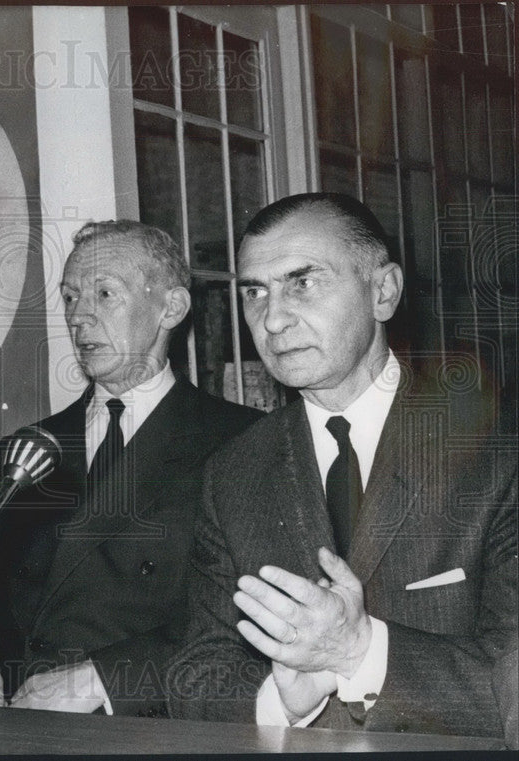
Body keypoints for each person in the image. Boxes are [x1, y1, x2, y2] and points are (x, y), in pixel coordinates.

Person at [166, 193, 517, 738]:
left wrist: (359, 653)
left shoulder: (497, 453)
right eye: (255, 292)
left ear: (383, 292)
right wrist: (280, 702)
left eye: (302, 282)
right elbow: (198, 679)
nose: (273, 319)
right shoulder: (233, 472)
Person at [0, 221, 261, 716]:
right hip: (20, 720)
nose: (80, 317)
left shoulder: (244, 441)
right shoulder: (28, 449)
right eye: (70, 297)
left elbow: (252, 624)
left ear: (171, 308)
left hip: (147, 724)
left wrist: (108, 680)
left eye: (104, 293)